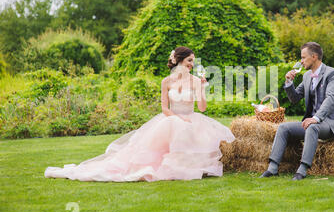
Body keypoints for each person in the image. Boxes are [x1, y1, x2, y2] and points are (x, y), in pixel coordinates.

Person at [45, 46, 235, 182]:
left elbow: (202, 108)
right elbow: (165, 109)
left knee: (187, 131)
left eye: (193, 60)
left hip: (192, 119)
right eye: (189, 60)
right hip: (171, 118)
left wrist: (202, 89)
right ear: (178, 61)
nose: (192, 64)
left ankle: (185, 167)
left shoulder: (195, 81)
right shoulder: (166, 82)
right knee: (170, 130)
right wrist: (179, 119)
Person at [260, 42, 334, 181]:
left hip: (331, 124)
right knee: (284, 128)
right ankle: (272, 168)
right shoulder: (307, 76)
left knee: (312, 127)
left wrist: (316, 118)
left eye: (303, 57)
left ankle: (302, 169)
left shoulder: (332, 74)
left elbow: (331, 99)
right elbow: (295, 98)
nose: (301, 61)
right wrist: (289, 83)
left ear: (314, 57)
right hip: (312, 123)